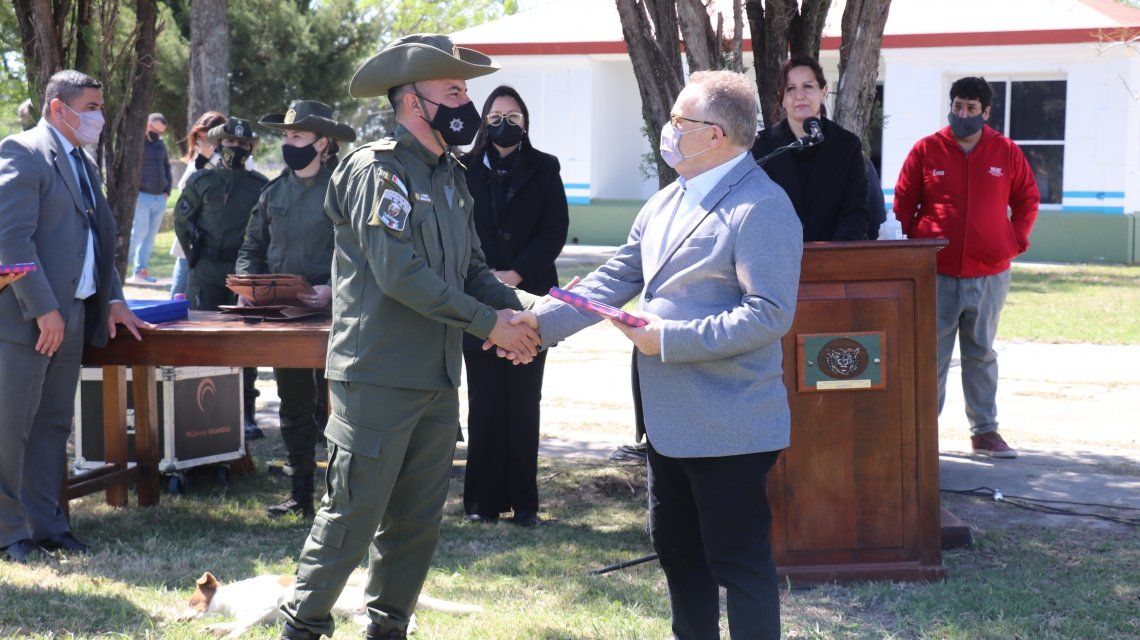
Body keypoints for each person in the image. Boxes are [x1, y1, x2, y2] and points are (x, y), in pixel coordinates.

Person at [516, 70, 802, 640]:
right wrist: (534, 327)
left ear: (715, 134)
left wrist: (669, 339)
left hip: (731, 424)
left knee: (738, 565)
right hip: (668, 425)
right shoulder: (668, 199)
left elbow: (770, 314)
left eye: (679, 121)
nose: (667, 131)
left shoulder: (761, 207)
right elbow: (616, 277)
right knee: (679, 558)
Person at [278, 34, 543, 640]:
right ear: (413, 101)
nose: (466, 101)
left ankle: (388, 625)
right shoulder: (378, 170)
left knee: (417, 522)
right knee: (352, 515)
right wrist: (487, 325)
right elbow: (400, 274)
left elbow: (474, 269)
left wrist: (526, 313)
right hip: (376, 374)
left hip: (435, 377)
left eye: (465, 89)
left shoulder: (450, 173)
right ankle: (303, 626)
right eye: (454, 89)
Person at [0, 70, 150, 562]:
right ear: (57, 109)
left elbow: (95, 242)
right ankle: (8, 532)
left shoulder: (83, 163)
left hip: (73, 317)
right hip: (26, 322)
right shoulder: (23, 151)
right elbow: (10, 242)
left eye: (101, 108)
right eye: (91, 108)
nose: (100, 118)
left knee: (51, 426)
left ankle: (46, 524)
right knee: (9, 427)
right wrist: (44, 310)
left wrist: (111, 298)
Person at [893, 76, 1039, 458]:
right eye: (958, 106)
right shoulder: (927, 149)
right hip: (935, 272)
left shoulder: (1006, 152)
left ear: (986, 112)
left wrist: (1014, 240)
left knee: (981, 353)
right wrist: (916, 245)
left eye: (971, 108)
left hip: (990, 273)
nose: (963, 114)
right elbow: (904, 201)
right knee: (931, 355)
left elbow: (1027, 199)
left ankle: (984, 431)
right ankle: (923, 432)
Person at [237, 100, 356, 518]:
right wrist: (248, 284)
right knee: (292, 406)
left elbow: (360, 254)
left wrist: (330, 288)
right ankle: (299, 494)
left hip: (333, 316)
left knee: (335, 407)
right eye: (286, 137)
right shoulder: (274, 191)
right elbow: (251, 248)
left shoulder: (342, 191)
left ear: (322, 143)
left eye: (298, 137)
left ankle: (339, 497)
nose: (289, 144)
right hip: (284, 317)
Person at [459, 86, 569, 527]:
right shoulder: (462, 168)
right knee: (484, 400)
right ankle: (481, 503)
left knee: (524, 401)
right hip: (476, 301)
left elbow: (554, 230)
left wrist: (517, 274)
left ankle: (524, 503)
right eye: (496, 114)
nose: (505, 122)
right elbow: (458, 232)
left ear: (526, 122)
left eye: (515, 115)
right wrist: (488, 279)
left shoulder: (545, 168)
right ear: (484, 121)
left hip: (530, 300)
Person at [173, 116, 268, 438]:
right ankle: (197, 415)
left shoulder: (260, 186)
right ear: (219, 144)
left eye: (243, 144)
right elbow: (182, 221)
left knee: (245, 345)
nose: (237, 148)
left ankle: (246, 415)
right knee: (202, 341)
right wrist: (195, 258)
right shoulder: (202, 182)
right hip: (205, 274)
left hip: (243, 275)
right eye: (231, 142)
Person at [751, 54, 871, 241]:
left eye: (808, 86)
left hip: (832, 261)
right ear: (781, 98)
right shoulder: (762, 146)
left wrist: (834, 256)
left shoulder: (847, 145)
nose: (799, 96)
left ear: (824, 91)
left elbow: (855, 211)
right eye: (790, 89)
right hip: (776, 258)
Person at [171, 111, 227, 298]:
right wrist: (201, 161)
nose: (203, 141)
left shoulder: (233, 159)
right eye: (199, 137)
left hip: (218, 241)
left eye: (207, 137)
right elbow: (183, 189)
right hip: (191, 236)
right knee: (178, 292)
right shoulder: (197, 157)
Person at [126, 112, 173, 283]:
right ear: (147, 125)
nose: (158, 135)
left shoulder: (160, 145)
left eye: (161, 132)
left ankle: (141, 272)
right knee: (138, 233)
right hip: (142, 196)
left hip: (159, 198)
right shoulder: (136, 143)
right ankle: (120, 268)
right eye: (155, 130)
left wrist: (167, 189)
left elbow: (166, 167)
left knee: (150, 236)